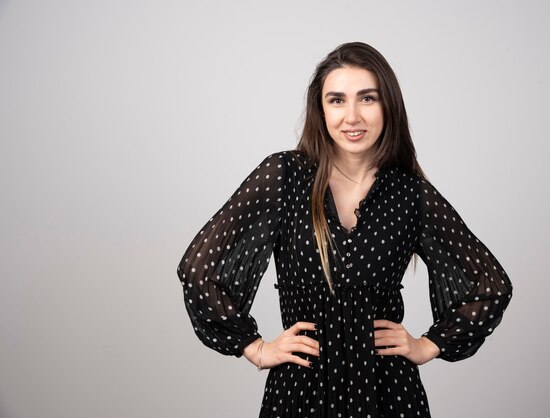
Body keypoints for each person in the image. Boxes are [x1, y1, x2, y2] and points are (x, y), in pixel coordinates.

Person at [176, 41, 513, 417]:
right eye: (336, 100)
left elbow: (491, 284)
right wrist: (255, 348)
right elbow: (198, 268)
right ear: (320, 110)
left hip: (389, 393)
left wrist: (428, 345)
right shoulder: (284, 176)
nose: (351, 116)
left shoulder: (408, 192)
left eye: (367, 98)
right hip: (300, 389)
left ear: (388, 106)